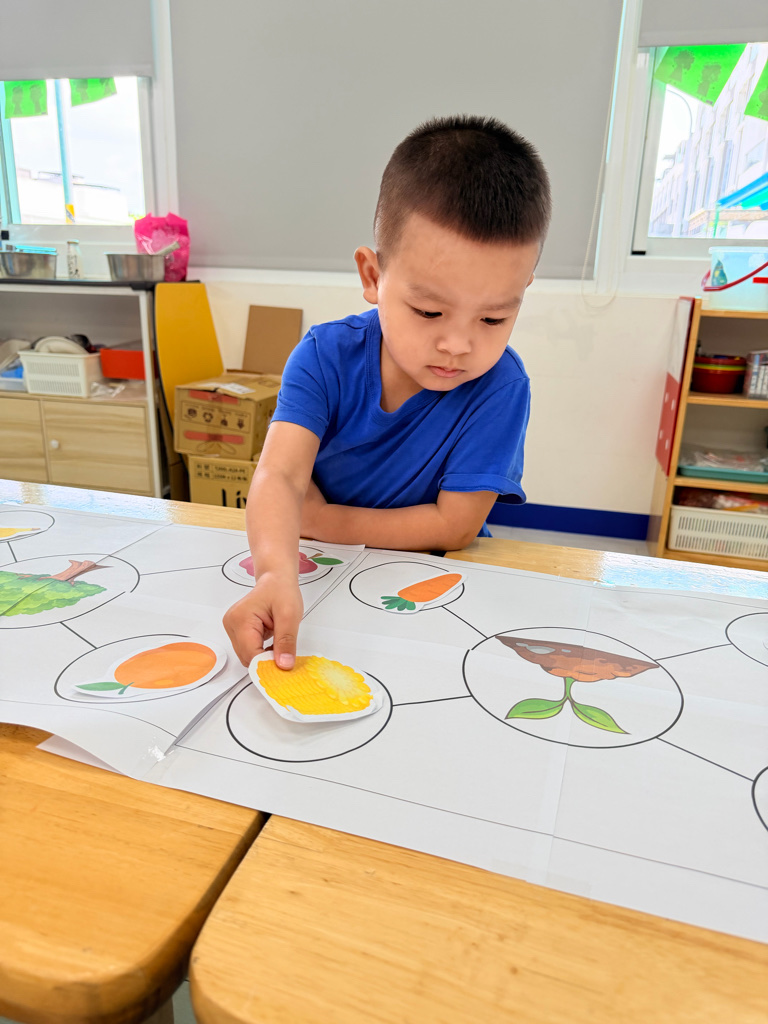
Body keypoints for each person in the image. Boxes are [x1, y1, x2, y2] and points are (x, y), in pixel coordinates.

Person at [224, 114, 551, 668]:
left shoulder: (501, 386)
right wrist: (275, 573)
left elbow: (455, 526)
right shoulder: (324, 356)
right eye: (428, 311)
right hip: (321, 579)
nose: (457, 345)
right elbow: (279, 476)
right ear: (373, 277)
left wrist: (318, 519)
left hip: (433, 588)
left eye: (493, 318)